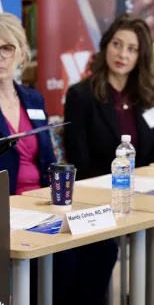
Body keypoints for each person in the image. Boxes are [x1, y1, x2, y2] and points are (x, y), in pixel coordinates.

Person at [0, 12, 118, 305]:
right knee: (63, 260)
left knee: (103, 248)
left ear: (22, 53)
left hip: (42, 206)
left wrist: (62, 201)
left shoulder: (33, 99)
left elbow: (49, 161)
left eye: (6, 48)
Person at [64, 13, 154, 181]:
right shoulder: (80, 96)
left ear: (140, 56)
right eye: (116, 44)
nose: (122, 54)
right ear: (106, 46)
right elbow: (79, 162)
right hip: (100, 192)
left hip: (145, 189)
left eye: (132, 49)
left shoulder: (148, 96)